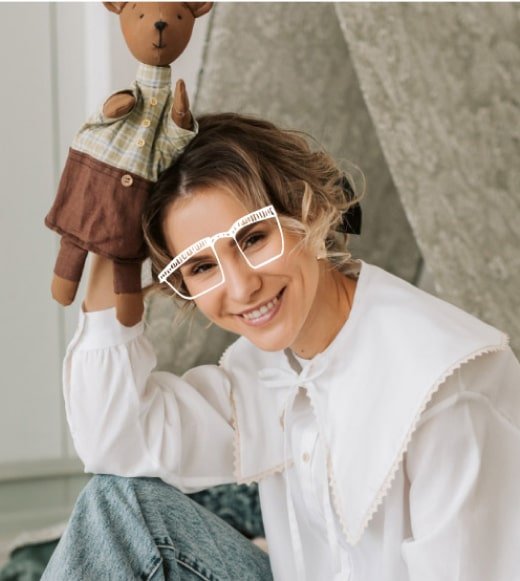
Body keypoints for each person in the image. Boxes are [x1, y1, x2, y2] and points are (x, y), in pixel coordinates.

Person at [42, 113, 520, 581]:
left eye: (253, 238)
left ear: (309, 212)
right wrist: (112, 235)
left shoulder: (446, 386)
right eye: (202, 267)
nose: (242, 287)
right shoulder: (266, 370)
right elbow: (115, 439)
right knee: (119, 507)